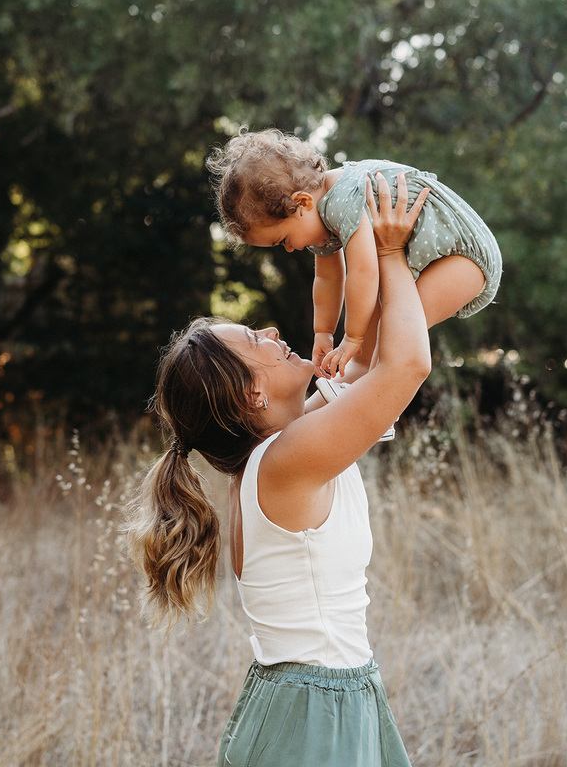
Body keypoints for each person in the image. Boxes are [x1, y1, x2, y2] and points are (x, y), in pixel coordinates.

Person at [126, 173, 430, 767]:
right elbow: (406, 366)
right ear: (252, 395)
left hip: (323, 696)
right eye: (253, 339)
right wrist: (391, 253)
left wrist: (358, 242)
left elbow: (372, 358)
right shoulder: (285, 463)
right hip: (314, 710)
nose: (269, 330)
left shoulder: (283, 449)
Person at [207, 127, 501, 391]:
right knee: (369, 350)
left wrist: (351, 337)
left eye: (283, 239)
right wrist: (323, 332)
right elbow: (328, 278)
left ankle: (376, 407)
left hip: (464, 257)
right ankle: (342, 398)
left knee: (395, 334)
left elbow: (363, 271)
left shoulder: (342, 199)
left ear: (302, 203)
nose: (288, 249)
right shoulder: (321, 214)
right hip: (445, 258)